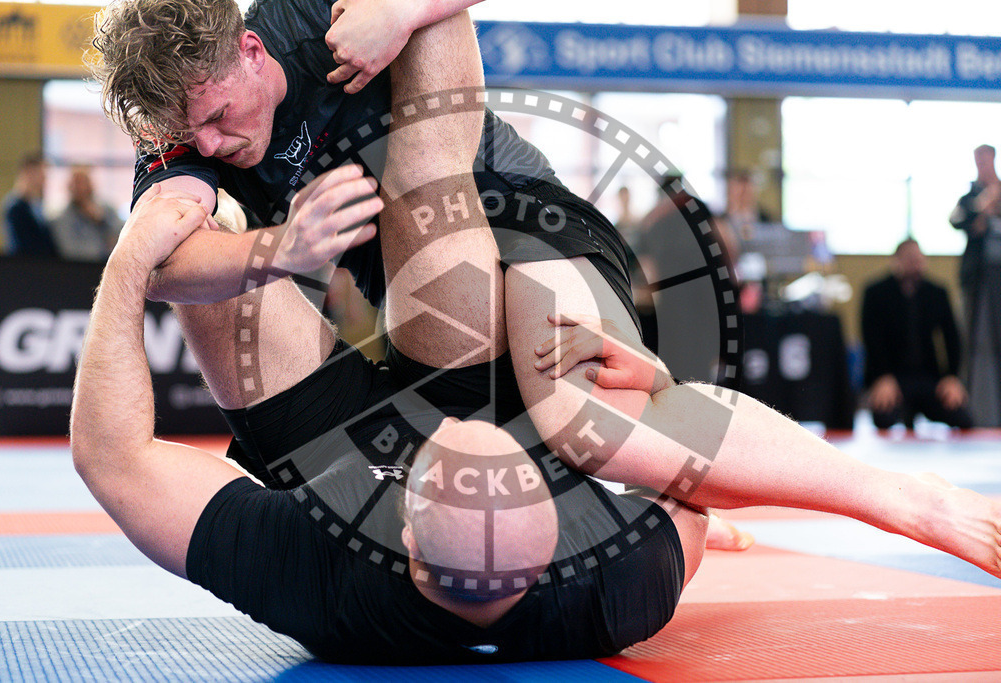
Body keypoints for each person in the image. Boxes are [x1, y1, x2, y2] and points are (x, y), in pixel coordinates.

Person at [90, 0, 1001, 586]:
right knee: (222, 281)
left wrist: (403, 10)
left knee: (580, 410)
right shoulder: (181, 143)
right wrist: (278, 245)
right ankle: (656, 495)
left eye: (217, 115)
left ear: (250, 50)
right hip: (431, 303)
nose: (211, 144)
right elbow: (161, 257)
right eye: (188, 133)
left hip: (528, 224)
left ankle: (897, 496)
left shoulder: (310, 15)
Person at [73, 14, 712, 662]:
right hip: (464, 312)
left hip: (362, 412)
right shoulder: (616, 575)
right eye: (487, 440)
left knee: (211, 265)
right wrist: (404, 10)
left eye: (215, 116)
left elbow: (113, 457)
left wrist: (138, 261)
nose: (206, 145)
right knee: (588, 391)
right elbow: (690, 509)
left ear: (407, 529)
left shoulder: (317, 573)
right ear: (549, 489)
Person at [861, 238, 972, 431]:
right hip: (892, 378)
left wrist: (952, 377)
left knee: (963, 418)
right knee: (883, 418)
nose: (915, 263)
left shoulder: (936, 292)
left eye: (919, 258)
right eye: (910, 258)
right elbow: (871, 339)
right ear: (896, 261)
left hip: (929, 378)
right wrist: (881, 377)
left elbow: (952, 338)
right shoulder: (876, 293)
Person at [950, 144, 1001, 427]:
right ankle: (977, 412)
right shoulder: (970, 197)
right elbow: (957, 221)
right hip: (978, 283)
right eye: (978, 159)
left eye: (986, 158)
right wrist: (982, 208)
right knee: (976, 345)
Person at [51, 165, 124, 262]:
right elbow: (70, 250)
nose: (80, 188)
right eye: (76, 182)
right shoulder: (62, 219)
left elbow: (122, 240)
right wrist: (104, 248)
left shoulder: (107, 210)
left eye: (83, 181)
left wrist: (101, 221)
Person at [0, 152, 58, 257]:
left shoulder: (37, 205)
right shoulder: (14, 207)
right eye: (41, 175)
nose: (44, 180)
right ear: (28, 173)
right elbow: (25, 245)